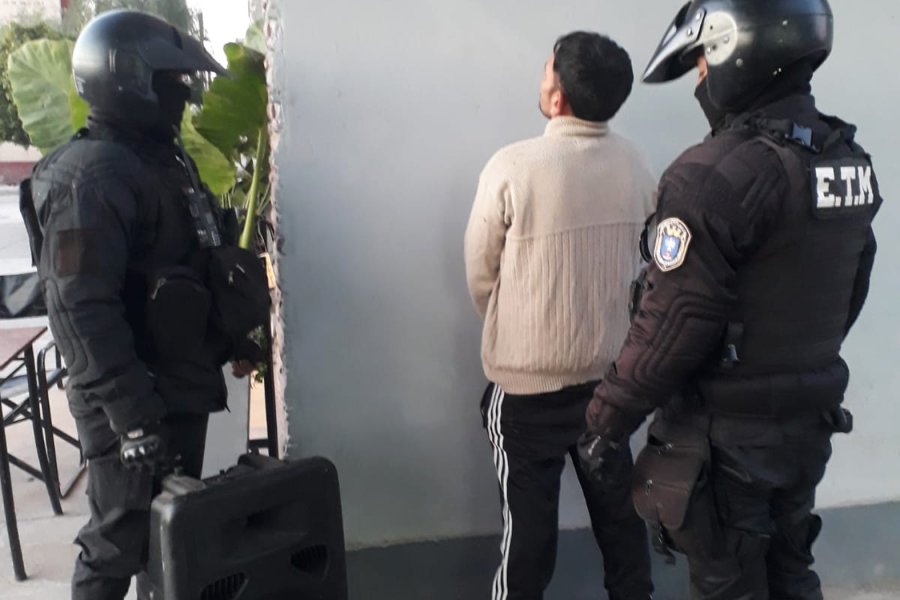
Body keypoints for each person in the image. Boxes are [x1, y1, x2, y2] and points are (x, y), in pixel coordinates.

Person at [578, 2, 881, 599]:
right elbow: (854, 285)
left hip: (728, 439)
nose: (699, 78)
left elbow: (673, 321)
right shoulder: (843, 157)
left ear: (737, 53)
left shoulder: (714, 175)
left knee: (730, 585)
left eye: (701, 62)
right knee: (790, 574)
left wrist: (605, 422)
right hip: (806, 424)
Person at [19, 10, 267, 600]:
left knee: (172, 536)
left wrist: (235, 337)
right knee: (117, 541)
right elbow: (80, 309)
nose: (184, 92)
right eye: (171, 80)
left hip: (177, 384)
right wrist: (131, 415)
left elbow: (193, 260)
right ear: (128, 80)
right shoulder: (88, 177)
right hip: (128, 396)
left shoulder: (161, 159)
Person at [465, 31, 656, 600]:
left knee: (526, 540)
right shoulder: (637, 166)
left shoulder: (512, 166)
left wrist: (518, 329)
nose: (542, 78)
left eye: (546, 70)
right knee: (621, 523)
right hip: (610, 386)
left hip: (527, 391)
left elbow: (480, 272)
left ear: (557, 98)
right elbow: (649, 263)